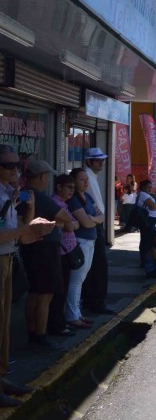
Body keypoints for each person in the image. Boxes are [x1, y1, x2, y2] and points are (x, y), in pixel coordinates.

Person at [1, 147, 56, 405]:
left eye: (16, 167)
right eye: (8, 166)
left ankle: (2, 377)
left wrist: (30, 215)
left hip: (9, 258)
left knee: (4, 324)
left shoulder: (9, 194)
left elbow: (20, 232)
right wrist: (27, 227)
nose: (15, 171)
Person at [18, 159, 75, 351]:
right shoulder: (40, 196)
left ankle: (33, 332)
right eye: (47, 176)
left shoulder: (25, 194)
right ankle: (40, 336)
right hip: (44, 251)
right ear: (42, 177)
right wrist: (58, 223)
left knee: (34, 292)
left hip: (31, 248)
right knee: (45, 294)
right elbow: (65, 219)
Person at [65, 168, 103, 330]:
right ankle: (72, 315)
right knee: (76, 280)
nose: (86, 182)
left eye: (87, 179)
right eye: (82, 180)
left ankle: (76, 313)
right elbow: (85, 222)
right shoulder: (73, 200)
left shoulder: (86, 197)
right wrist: (93, 220)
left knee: (81, 280)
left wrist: (92, 219)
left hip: (90, 241)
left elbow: (100, 216)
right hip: (80, 242)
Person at [50, 173, 82, 336]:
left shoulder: (64, 203)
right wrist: (71, 223)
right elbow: (70, 226)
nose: (72, 191)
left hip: (67, 251)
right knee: (59, 291)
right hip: (61, 252)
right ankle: (57, 325)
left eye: (73, 188)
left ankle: (60, 322)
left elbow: (72, 223)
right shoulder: (56, 203)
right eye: (69, 187)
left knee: (63, 289)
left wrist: (71, 223)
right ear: (59, 187)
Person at [81, 147, 110, 316]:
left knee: (93, 265)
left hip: (96, 222)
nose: (101, 163)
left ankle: (91, 300)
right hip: (93, 224)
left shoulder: (91, 176)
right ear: (89, 161)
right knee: (98, 265)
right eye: (98, 160)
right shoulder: (87, 176)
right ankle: (96, 302)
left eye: (102, 160)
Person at [136, 179, 156, 265]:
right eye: (148, 187)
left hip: (150, 219)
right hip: (149, 220)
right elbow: (153, 206)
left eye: (151, 187)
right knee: (147, 240)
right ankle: (145, 260)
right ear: (143, 187)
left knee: (148, 239)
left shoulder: (145, 195)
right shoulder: (143, 194)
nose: (150, 189)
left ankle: (146, 259)